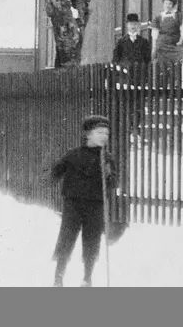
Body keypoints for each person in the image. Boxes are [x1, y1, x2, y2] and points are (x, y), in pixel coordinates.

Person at [50, 115, 117, 287]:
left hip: (95, 205)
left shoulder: (107, 158)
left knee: (92, 241)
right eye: (100, 132)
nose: (104, 136)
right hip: (73, 205)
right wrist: (54, 177)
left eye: (107, 134)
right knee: (67, 239)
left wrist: (109, 175)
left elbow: (112, 184)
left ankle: (87, 277)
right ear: (88, 134)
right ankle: (59, 276)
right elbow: (57, 170)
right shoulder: (74, 154)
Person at [150, 0, 183, 66]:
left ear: (173, 5)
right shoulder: (158, 17)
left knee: (176, 66)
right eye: (166, 3)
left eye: (170, 4)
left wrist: (180, 42)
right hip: (162, 45)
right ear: (163, 4)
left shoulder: (178, 15)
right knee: (163, 66)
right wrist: (154, 48)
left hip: (175, 45)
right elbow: (155, 35)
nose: (167, 6)